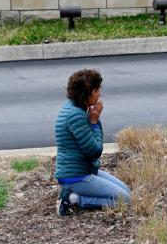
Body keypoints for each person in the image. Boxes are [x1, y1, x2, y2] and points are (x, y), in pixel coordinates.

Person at [54, 69, 130, 216]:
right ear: (86, 93)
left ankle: (72, 195)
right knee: (124, 200)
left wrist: (93, 121)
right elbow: (95, 150)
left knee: (126, 190)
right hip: (76, 176)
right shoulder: (75, 115)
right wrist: (94, 122)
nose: (99, 93)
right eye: (96, 90)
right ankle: (71, 198)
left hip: (85, 170)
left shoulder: (75, 107)